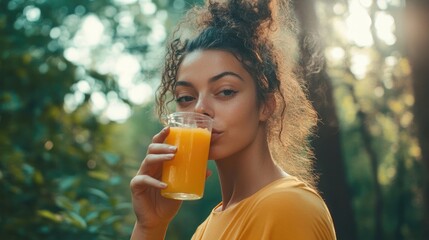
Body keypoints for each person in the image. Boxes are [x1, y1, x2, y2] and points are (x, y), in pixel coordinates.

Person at [130, 0, 337, 239]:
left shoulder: (288, 207)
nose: (200, 109)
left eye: (225, 91)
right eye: (186, 97)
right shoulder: (205, 229)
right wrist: (150, 226)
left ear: (267, 106)